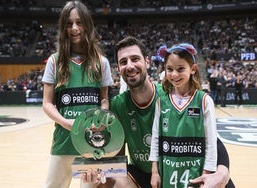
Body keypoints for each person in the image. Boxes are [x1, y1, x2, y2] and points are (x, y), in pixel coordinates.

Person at [82, 36, 234, 188]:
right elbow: (118, 156)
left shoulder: (170, 95)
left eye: (135, 59)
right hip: (143, 174)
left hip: (179, 168)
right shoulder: (117, 105)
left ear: (147, 62)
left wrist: (223, 172)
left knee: (222, 184)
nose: (129, 66)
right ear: (118, 68)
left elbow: (212, 140)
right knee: (97, 184)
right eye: (123, 62)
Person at [41, 1, 113, 188]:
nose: (74, 28)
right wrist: (67, 123)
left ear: (87, 25)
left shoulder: (101, 62)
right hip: (63, 142)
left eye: (79, 22)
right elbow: (47, 104)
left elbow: (104, 100)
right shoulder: (54, 61)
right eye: (69, 23)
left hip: (91, 142)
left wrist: (100, 117)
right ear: (63, 27)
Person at [149, 43, 218, 188]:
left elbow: (211, 143)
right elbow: (155, 139)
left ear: (193, 69)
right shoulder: (161, 102)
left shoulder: (204, 100)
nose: (174, 74)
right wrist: (154, 171)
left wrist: (207, 173)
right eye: (169, 69)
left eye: (180, 69)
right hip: (167, 170)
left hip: (196, 172)